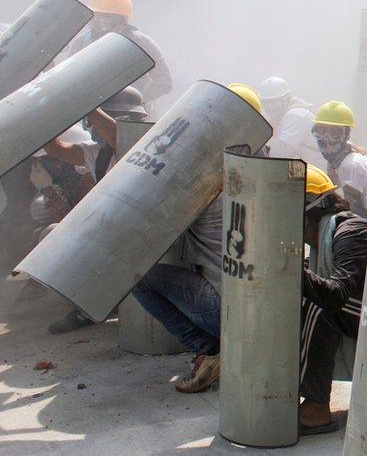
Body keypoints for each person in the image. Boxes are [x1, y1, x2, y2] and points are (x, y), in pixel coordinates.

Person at [129, 85, 264, 392]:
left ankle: (206, 349)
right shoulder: (260, 172)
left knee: (139, 279)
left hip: (223, 309)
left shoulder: (203, 185)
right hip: (264, 310)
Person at [42, 87, 150, 334]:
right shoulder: (98, 153)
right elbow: (58, 150)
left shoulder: (141, 147)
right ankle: (89, 303)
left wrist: (89, 104)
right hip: (109, 229)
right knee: (53, 236)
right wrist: (47, 117)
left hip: (141, 230)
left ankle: (95, 303)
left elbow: (118, 136)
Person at [298, 164, 367, 435]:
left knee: (317, 304)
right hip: (363, 311)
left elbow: (337, 295)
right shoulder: (327, 238)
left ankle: (316, 408)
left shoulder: (348, 232)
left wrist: (288, 268)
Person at [68, 0, 172, 112]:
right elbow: (70, 80)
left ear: (120, 20)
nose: (97, 22)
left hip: (131, 116)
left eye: (105, 18)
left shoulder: (141, 42)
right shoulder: (82, 43)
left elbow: (165, 81)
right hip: (91, 112)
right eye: (95, 16)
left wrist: (137, 101)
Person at [311, 100, 367, 219]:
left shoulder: (351, 165)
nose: (326, 139)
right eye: (321, 131)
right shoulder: (337, 163)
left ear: (346, 135)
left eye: (334, 133)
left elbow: (354, 213)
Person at [257, 76, 322, 168]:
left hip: (316, 170)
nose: (270, 108)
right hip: (303, 167)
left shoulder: (296, 115)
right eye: (266, 103)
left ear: (286, 98)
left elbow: (284, 152)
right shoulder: (282, 114)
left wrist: (257, 135)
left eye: (274, 102)